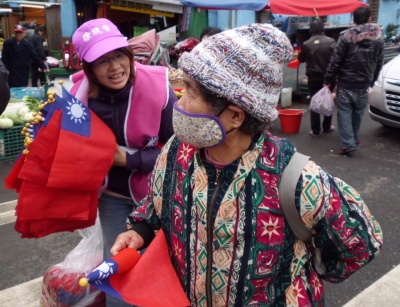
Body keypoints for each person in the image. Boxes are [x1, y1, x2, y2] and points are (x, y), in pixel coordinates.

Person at [111, 24, 383, 306]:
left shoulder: (296, 179)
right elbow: (156, 208)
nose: (180, 98)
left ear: (235, 116)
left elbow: (358, 246)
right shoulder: (176, 152)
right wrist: (139, 232)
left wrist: (298, 283)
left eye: (190, 91)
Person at [70, 18, 176, 307]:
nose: (115, 67)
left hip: (158, 197)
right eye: (102, 61)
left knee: (164, 268)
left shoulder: (160, 87)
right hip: (113, 197)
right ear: (88, 68)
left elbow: (178, 151)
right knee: (117, 268)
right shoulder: (78, 99)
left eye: (119, 55)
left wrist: (127, 158)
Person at [324, 7, 384, 154]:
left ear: (354, 20)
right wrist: (372, 80)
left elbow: (336, 60)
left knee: (344, 112)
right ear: (370, 19)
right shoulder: (379, 39)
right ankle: (354, 138)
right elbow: (379, 62)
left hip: (345, 83)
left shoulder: (345, 37)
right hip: (364, 83)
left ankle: (348, 143)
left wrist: (328, 79)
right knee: (358, 112)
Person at [298, 19, 336, 137]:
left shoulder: (306, 44)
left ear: (311, 30)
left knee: (314, 102)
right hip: (329, 78)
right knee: (328, 100)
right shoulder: (331, 42)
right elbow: (336, 60)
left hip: (313, 78)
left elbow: (301, 59)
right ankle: (327, 126)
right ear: (323, 29)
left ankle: (315, 130)